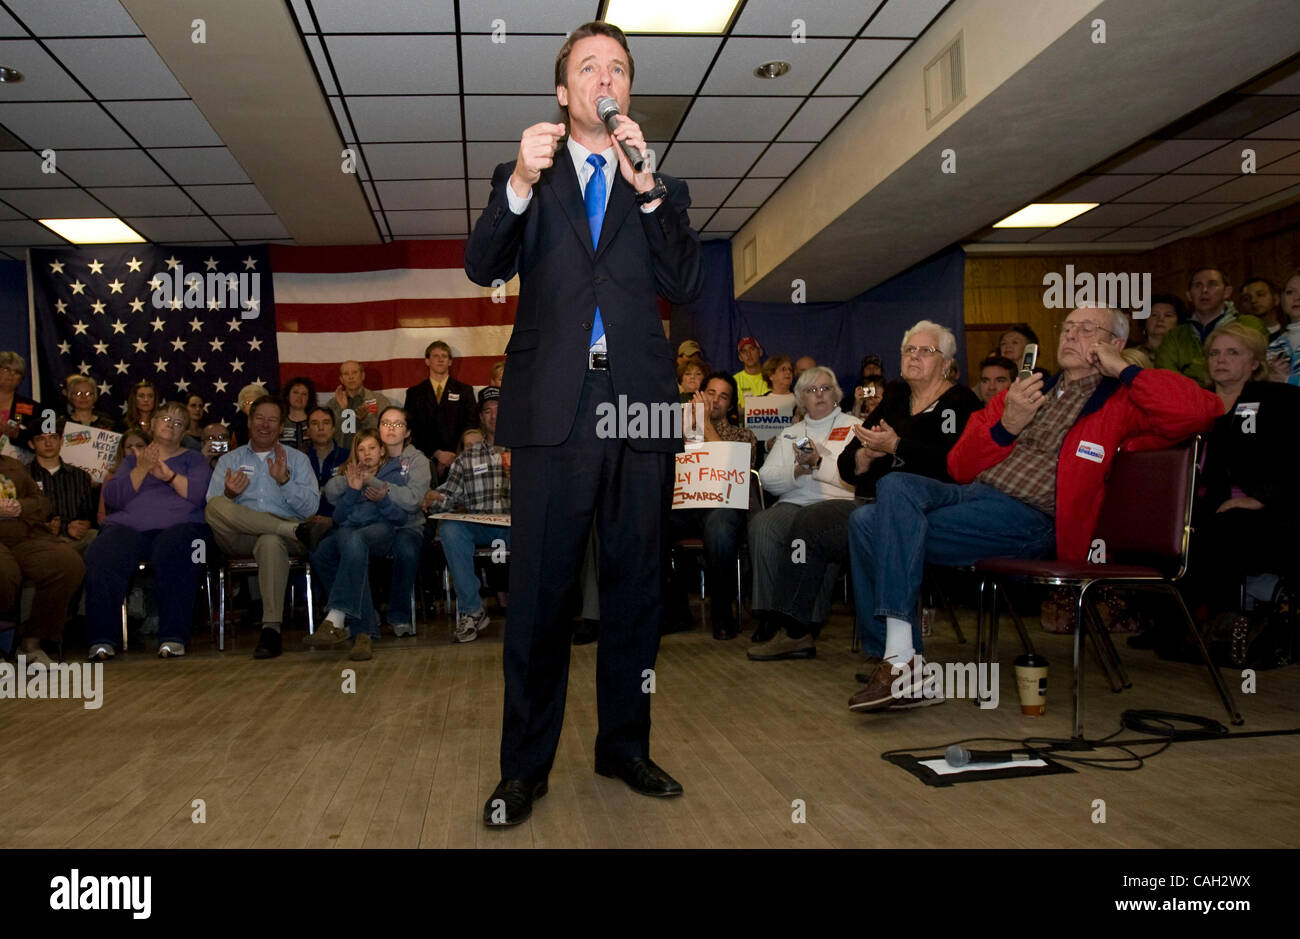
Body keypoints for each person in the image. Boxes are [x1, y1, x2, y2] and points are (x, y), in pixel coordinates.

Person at [464, 19, 703, 826]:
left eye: (621, 69)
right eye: (589, 67)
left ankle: (624, 744)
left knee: (637, 588)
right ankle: (523, 766)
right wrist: (519, 190)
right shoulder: (524, 173)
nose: (608, 78)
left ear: (629, 92)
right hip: (553, 407)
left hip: (638, 403)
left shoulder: (659, 186)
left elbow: (684, 278)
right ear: (563, 92)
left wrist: (649, 187)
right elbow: (481, 265)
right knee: (540, 593)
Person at [845, 307, 1221, 712]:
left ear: (1115, 343)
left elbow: (1202, 411)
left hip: (1030, 519)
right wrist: (1007, 424)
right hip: (974, 496)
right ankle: (902, 658)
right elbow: (958, 465)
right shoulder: (1028, 389)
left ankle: (899, 660)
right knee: (885, 495)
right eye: (1068, 328)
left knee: (872, 523)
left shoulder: (1124, 399)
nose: (1071, 335)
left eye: (1087, 329)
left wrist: (1123, 370)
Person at [752, 325, 980, 661]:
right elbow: (847, 460)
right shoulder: (896, 398)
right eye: (908, 350)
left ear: (946, 363)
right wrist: (861, 457)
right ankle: (796, 631)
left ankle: (889, 655)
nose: (913, 355)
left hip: (927, 509)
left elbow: (953, 463)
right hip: (871, 500)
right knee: (809, 523)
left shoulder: (960, 404)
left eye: (924, 351)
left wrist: (897, 446)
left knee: (863, 523)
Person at [1130, 322, 1300, 653]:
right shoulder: (1198, 404)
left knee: (1219, 529)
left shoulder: (1276, 400)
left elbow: (1292, 461)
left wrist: (1260, 498)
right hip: (1196, 502)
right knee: (1154, 531)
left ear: (1254, 362)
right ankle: (1172, 626)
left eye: (1233, 352)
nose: (1220, 360)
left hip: (1258, 508)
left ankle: (1220, 627)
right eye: (1214, 353)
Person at [84, 401, 213, 659]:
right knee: (102, 552)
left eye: (178, 423)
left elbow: (201, 496)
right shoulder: (132, 461)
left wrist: (169, 477)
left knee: (179, 550)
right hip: (128, 527)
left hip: (182, 526)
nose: (170, 425)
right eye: (165, 419)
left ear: (185, 432)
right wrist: (142, 467)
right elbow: (113, 497)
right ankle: (102, 640)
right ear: (152, 424)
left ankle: (173, 636)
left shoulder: (194, 459)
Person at [746, 366, 860, 654]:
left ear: (837, 395)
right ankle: (771, 615)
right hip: (793, 500)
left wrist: (820, 462)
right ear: (800, 400)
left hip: (837, 504)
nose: (819, 395)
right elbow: (768, 478)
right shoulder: (791, 433)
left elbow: (856, 476)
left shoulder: (854, 427)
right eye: (811, 390)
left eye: (825, 388)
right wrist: (797, 469)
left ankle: (806, 620)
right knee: (763, 524)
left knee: (811, 529)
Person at [204, 395, 320, 659]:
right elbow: (214, 507)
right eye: (259, 418)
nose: (265, 425)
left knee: (270, 540)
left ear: (281, 427)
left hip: (283, 538)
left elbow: (311, 508)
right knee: (214, 506)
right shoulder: (229, 460)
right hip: (241, 533)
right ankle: (286, 529)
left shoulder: (297, 460)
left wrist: (286, 481)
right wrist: (230, 495)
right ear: (249, 421)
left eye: (272, 420)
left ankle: (271, 630)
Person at [304, 414, 427, 660]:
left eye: (372, 448)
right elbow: (338, 516)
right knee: (320, 552)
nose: (367, 454)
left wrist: (381, 499)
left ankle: (344, 623)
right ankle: (364, 622)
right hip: (349, 530)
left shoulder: (393, 472)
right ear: (356, 454)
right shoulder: (347, 472)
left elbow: (400, 518)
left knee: (353, 542)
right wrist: (352, 489)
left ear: (381, 451)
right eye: (362, 450)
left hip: (382, 529)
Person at [665, 372, 756, 640]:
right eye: (711, 393)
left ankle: (721, 612)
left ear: (731, 406)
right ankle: (674, 610)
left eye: (723, 396)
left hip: (722, 506)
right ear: (699, 396)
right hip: (684, 505)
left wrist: (705, 424)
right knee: (649, 524)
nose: (715, 400)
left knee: (719, 528)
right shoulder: (677, 430)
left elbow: (731, 468)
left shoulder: (743, 435)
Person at [423, 399, 512, 644]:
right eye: (487, 412)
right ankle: (473, 610)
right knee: (451, 529)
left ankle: (541, 608)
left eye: (499, 410)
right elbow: (450, 495)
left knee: (543, 529)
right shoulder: (467, 458)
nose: (494, 416)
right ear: (481, 419)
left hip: (520, 526)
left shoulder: (527, 451)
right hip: (482, 525)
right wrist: (434, 498)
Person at [0, 450, 84, 664]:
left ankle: (30, 643)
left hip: (25, 534)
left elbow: (42, 502)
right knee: (4, 573)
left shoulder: (13, 465)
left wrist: (21, 506)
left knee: (67, 563)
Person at [1156, 267, 1267, 386]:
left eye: (1212, 284)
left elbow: (1255, 366)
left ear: (1227, 292)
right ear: (1189, 296)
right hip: (1188, 401)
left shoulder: (1248, 324)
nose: (1204, 290)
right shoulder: (1174, 336)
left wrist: (1191, 370)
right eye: (1198, 285)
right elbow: (1166, 378)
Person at [404, 341, 477, 480]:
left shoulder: (465, 391)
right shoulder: (414, 393)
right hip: (424, 461)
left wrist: (455, 454)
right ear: (427, 361)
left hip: (459, 460)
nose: (440, 359)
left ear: (450, 362)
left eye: (444, 356)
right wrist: (436, 453)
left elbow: (471, 425)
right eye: (435, 356)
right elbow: (411, 429)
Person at [30, 418, 97, 555]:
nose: (48, 443)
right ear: (31, 444)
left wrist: (83, 525)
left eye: (53, 437)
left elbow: (88, 515)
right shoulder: (24, 476)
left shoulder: (80, 475)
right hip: (38, 540)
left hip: (75, 539)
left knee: (98, 538)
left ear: (61, 441)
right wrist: (61, 528)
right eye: (41, 439)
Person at [327, 361, 390, 451]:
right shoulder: (333, 403)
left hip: (371, 456)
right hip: (341, 457)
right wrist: (342, 411)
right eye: (346, 374)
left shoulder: (378, 400)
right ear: (341, 379)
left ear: (363, 376)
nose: (351, 377)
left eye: (354, 372)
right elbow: (329, 436)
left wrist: (366, 419)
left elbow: (386, 432)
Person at [305, 406, 349, 517]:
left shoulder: (348, 457)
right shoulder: (299, 459)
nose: (320, 428)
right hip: (305, 521)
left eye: (326, 423)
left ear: (334, 429)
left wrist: (333, 521)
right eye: (315, 423)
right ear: (308, 431)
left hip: (339, 522)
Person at [0, 351, 41, 454]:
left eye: (17, 372)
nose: (12, 374)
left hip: (14, 466)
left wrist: (17, 434)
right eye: (6, 369)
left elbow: (43, 442)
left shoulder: (32, 407)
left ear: (21, 379)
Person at [1265, 268, 1300, 385]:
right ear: (1280, 299)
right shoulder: (1275, 346)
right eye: (1290, 292)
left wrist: (1288, 380)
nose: (1297, 297)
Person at [280, 377, 316, 452]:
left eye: (304, 394)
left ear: (309, 399)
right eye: (295, 392)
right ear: (287, 396)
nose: (299, 397)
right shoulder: (279, 423)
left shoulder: (315, 422)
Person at [733, 336, 769, 408]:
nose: (748, 354)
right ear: (740, 357)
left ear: (760, 352)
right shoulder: (734, 381)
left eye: (752, 349)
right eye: (744, 351)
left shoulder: (772, 377)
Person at [228, 382, 267, 448]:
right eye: (248, 402)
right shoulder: (237, 429)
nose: (252, 405)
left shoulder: (272, 424)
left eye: (256, 402)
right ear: (243, 406)